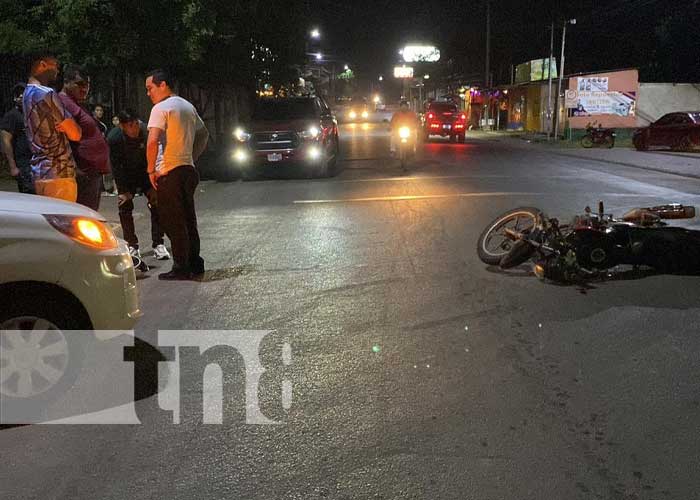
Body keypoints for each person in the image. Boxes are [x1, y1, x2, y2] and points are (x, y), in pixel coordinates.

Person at [145, 69, 209, 281]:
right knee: (189, 218)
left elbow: (152, 140)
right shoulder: (187, 106)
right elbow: (203, 133)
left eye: (150, 88)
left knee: (173, 220)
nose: (148, 93)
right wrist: (192, 155)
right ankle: (195, 262)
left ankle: (181, 266)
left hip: (168, 171)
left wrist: (150, 169)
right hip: (188, 169)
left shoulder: (160, 108)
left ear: (163, 85)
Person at [108, 109, 170, 268]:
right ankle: (132, 245)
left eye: (136, 123)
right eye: (130, 125)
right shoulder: (114, 138)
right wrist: (123, 190)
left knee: (157, 204)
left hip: (146, 171)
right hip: (127, 174)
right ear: (122, 126)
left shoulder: (146, 132)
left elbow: (156, 154)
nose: (134, 128)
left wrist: (153, 178)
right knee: (124, 206)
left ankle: (158, 243)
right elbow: (116, 166)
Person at [23, 54, 81, 202]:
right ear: (42, 65)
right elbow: (75, 133)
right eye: (55, 65)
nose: (57, 70)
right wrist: (70, 125)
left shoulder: (27, 94)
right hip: (58, 173)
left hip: (40, 171)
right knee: (64, 222)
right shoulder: (45, 93)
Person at [59, 65, 111, 211]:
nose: (85, 89)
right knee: (83, 219)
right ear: (66, 82)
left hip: (91, 173)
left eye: (87, 85)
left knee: (89, 217)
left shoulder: (76, 104)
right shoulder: (63, 103)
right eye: (80, 84)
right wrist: (75, 169)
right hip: (83, 173)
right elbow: (62, 138)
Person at [0, 83, 34, 194]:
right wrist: (13, 166)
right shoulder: (12, 116)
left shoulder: (32, 114)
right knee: (29, 194)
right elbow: (6, 141)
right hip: (23, 164)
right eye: (18, 94)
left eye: (23, 93)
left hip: (36, 162)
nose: (21, 96)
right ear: (14, 98)